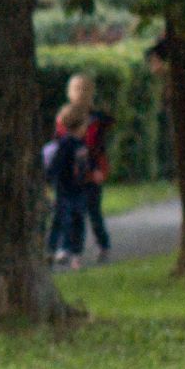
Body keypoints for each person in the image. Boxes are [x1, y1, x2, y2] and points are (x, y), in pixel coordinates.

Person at [67, 73, 113, 262]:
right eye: (76, 89)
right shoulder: (66, 117)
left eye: (83, 89)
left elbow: (99, 147)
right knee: (75, 213)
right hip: (73, 172)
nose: (79, 93)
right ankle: (75, 251)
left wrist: (99, 170)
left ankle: (103, 245)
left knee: (94, 212)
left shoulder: (97, 119)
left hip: (92, 171)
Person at [45, 98, 94, 269]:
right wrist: (49, 181)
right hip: (65, 189)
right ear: (78, 125)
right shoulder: (65, 144)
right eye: (85, 125)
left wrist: (91, 174)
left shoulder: (82, 144)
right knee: (62, 219)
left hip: (79, 190)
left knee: (78, 220)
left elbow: (86, 165)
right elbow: (56, 165)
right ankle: (55, 249)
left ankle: (75, 253)